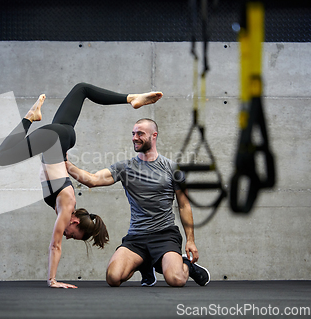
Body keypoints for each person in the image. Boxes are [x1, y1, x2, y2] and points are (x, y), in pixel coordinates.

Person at [0, 83, 163, 288]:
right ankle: (30, 116)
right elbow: (55, 246)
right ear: (74, 222)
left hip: (64, 135)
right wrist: (52, 280)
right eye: (73, 235)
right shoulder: (67, 205)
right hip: (53, 138)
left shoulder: (64, 203)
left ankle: (131, 99)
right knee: (1, 157)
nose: (68, 236)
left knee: (82, 89)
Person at [66, 117, 211, 287]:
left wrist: (190, 240)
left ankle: (186, 264)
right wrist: (65, 164)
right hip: (137, 237)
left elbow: (184, 205)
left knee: (176, 280)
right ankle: (144, 264)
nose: (135, 137)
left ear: (153, 135)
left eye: (140, 133)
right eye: (133, 133)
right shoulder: (125, 168)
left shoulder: (172, 169)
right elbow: (93, 180)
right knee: (113, 277)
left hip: (164, 235)